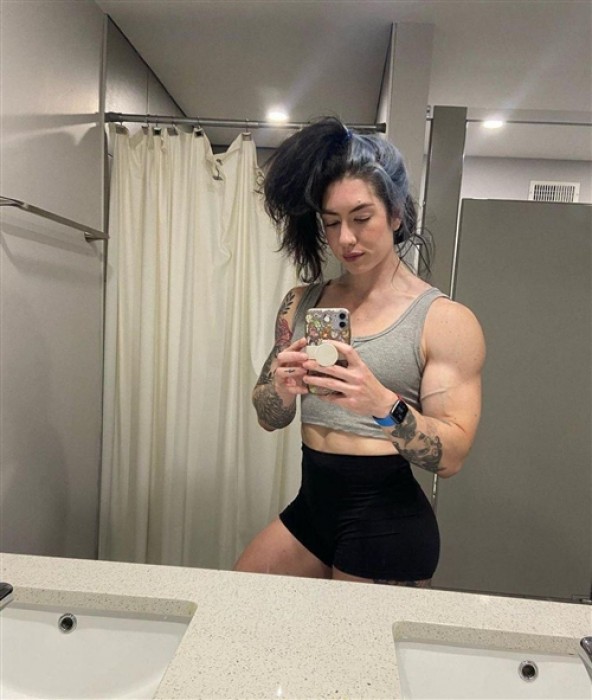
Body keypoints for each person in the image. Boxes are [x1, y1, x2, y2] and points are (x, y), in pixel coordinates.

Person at [234, 117, 485, 587]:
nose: (345, 239)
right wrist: (282, 389)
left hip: (385, 524)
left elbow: (452, 456)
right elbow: (268, 417)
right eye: (332, 223)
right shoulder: (301, 302)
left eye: (361, 218)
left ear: (396, 214)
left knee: (346, 639)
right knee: (239, 596)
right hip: (312, 507)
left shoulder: (444, 321)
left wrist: (381, 404)